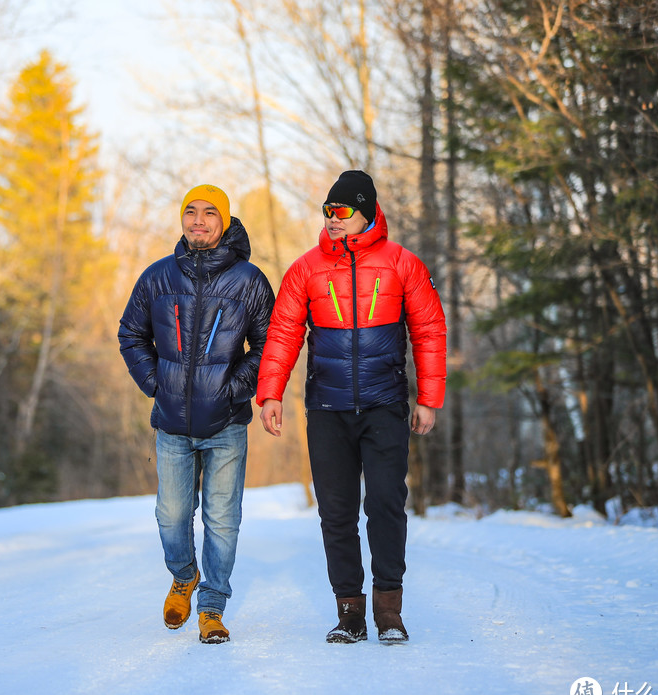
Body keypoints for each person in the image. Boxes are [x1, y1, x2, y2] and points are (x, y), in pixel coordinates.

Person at [256, 170, 446, 644]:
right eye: (327, 211)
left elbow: (429, 331)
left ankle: (390, 613)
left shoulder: (404, 264)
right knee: (336, 512)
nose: (332, 219)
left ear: (366, 212)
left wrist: (428, 399)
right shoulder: (305, 268)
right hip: (327, 408)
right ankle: (349, 614)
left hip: (384, 406)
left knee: (385, 503)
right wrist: (271, 393)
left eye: (341, 210)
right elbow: (282, 333)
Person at [119, 184, 275, 644]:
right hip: (171, 424)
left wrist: (230, 390)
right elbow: (131, 334)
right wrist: (156, 384)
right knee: (171, 515)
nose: (199, 220)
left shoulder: (248, 281)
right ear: (182, 219)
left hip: (226, 424)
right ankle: (183, 575)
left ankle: (212, 606)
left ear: (224, 222)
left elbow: (269, 347)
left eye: (210, 213)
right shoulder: (157, 277)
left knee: (223, 520)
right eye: (191, 212)